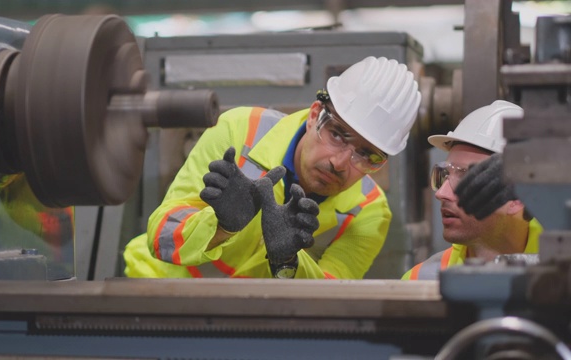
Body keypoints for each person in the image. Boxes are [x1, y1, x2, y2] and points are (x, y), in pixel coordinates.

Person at [124, 56, 421, 279]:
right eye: (337, 135)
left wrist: (288, 260)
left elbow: (328, 303)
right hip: (162, 298)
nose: (340, 163)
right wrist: (222, 226)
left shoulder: (368, 212)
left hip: (252, 326)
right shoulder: (240, 132)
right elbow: (162, 238)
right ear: (314, 114)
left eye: (367, 155)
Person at [402, 100, 543, 280]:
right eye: (444, 174)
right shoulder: (419, 281)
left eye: (466, 178)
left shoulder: (562, 273)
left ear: (517, 198)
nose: (441, 193)